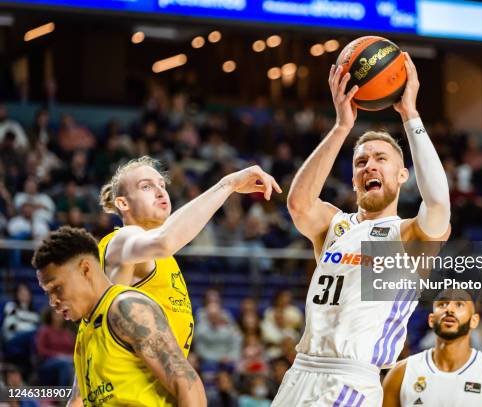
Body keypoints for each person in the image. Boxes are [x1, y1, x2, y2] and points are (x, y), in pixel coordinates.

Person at [274, 53, 451, 406]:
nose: (369, 165)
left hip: (350, 379)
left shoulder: (409, 236)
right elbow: (298, 204)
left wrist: (411, 115)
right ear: (354, 178)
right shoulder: (333, 225)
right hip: (299, 373)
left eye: (381, 159)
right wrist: (341, 127)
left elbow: (438, 204)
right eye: (361, 162)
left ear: (403, 176)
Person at [98, 156, 280, 356]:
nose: (160, 192)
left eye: (162, 185)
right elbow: (164, 241)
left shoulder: (165, 259)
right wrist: (229, 184)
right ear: (123, 203)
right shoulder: (122, 239)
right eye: (146, 187)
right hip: (126, 384)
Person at [31, 226, 206, 406]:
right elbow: (77, 401)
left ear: (85, 269)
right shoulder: (86, 331)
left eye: (57, 288)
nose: (53, 301)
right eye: (47, 293)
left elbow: (188, 385)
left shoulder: (125, 308)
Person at [382, 290, 482, 406]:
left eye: (459, 305)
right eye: (442, 304)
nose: (449, 309)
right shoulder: (401, 373)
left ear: (474, 321)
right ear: (431, 320)